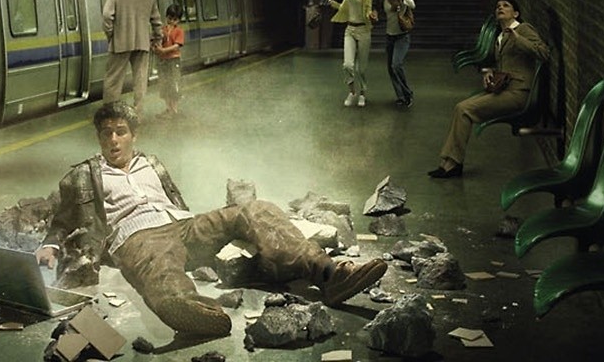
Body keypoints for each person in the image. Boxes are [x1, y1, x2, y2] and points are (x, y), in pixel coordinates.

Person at [35, 101, 387, 338]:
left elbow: (176, 202)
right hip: (137, 236)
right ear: (98, 138)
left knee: (255, 209)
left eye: (120, 131)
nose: (113, 139)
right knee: (160, 264)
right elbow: (61, 218)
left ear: (133, 134)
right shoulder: (83, 175)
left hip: (183, 224)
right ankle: (189, 310)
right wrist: (50, 246)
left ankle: (329, 274)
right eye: (106, 133)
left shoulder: (151, 162)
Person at [429, 0, 549, 178]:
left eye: (506, 6)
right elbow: (507, 66)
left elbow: (543, 52)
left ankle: (453, 163)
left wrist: (517, 37)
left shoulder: (523, 29)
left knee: (464, 109)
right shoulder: (500, 37)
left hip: (519, 93)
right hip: (504, 89)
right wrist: (491, 73)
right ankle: (448, 162)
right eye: (498, 6)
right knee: (459, 107)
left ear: (515, 13)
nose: (500, 8)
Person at [102, 0, 160, 106]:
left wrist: (111, 36)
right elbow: (156, 21)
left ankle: (111, 115)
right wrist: (156, 39)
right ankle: (138, 115)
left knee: (113, 81)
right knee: (140, 82)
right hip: (142, 43)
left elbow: (107, 16)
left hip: (120, 43)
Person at [327, 0, 377, 106]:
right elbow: (344, 7)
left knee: (361, 68)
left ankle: (362, 93)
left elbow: (368, 9)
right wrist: (332, 3)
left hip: (363, 31)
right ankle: (352, 92)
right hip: (349, 29)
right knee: (348, 64)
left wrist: (371, 16)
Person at [381, 0, 417, 107]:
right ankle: (401, 97)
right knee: (391, 68)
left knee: (396, 64)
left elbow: (413, 5)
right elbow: (380, 10)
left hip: (402, 36)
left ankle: (408, 94)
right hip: (389, 36)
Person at [155, 4, 185, 114]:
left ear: (179, 20)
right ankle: (168, 108)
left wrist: (163, 51)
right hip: (163, 61)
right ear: (166, 17)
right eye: (169, 18)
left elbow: (177, 45)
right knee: (164, 84)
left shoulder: (179, 31)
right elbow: (158, 40)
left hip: (173, 60)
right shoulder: (163, 30)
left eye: (175, 19)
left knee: (174, 83)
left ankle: (174, 109)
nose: (172, 21)